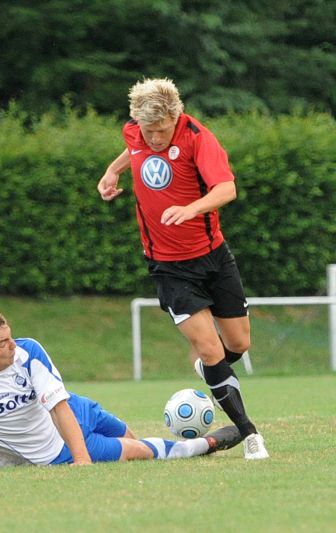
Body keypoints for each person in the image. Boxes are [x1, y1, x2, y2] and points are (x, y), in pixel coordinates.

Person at [96, 77, 268, 460]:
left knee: (237, 344)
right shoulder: (136, 132)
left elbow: (227, 189)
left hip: (212, 257)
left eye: (161, 131)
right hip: (168, 267)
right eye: (147, 131)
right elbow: (132, 148)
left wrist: (192, 209)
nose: (153, 138)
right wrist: (113, 171)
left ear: (176, 116)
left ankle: (213, 372)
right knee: (209, 349)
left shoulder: (198, 138)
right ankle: (249, 433)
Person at [0, 306, 242, 472]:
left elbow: (58, 404)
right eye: (2, 344)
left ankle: (125, 453)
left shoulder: (28, 350)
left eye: (10, 336)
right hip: (55, 451)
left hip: (75, 411)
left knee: (129, 442)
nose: (12, 346)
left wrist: (83, 458)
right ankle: (204, 445)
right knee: (138, 451)